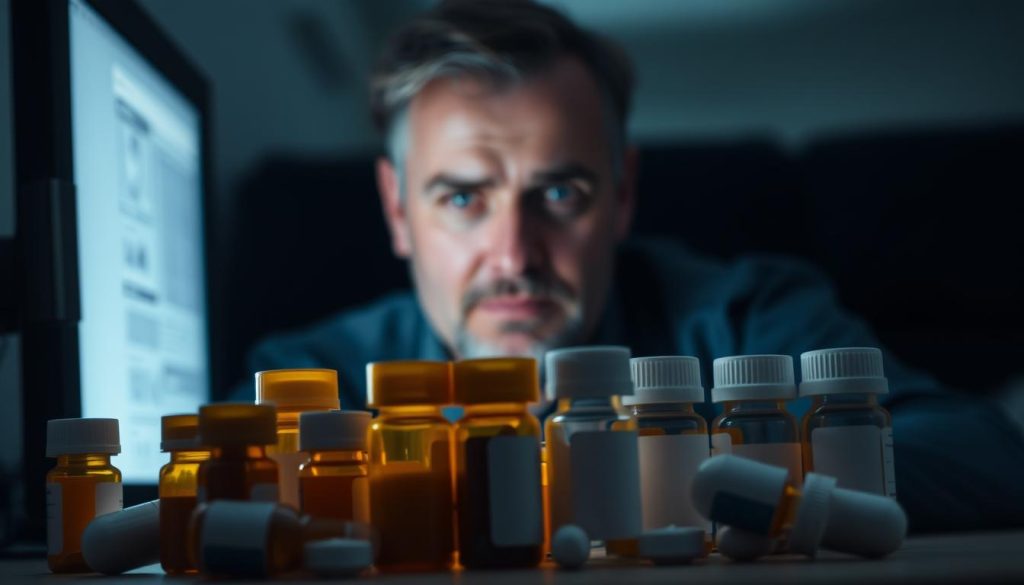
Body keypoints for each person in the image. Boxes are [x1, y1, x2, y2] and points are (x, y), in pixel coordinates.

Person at [243, 0, 1024, 532]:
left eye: (558, 191)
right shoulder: (308, 378)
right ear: (395, 208)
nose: (514, 255)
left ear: (622, 195)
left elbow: (980, 451)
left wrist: (676, 469)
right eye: (462, 198)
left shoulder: (745, 314)